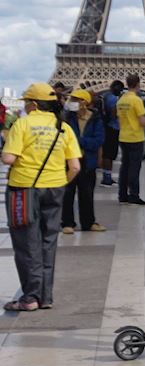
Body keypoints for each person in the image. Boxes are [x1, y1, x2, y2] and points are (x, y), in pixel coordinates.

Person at [3, 83, 82, 312]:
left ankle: (30, 297)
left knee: (26, 243)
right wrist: (58, 181)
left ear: (33, 104)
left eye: (26, 102)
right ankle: (45, 296)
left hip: (24, 190)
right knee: (48, 242)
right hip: (55, 188)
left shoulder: (23, 124)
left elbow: (8, 158)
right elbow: (75, 166)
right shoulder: (63, 127)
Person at [60, 89, 105, 235]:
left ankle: (88, 222)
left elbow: (98, 140)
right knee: (68, 193)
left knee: (87, 193)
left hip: (87, 160)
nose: (72, 102)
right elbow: (63, 139)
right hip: (70, 159)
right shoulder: (67, 118)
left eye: (75, 100)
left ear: (84, 103)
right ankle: (67, 223)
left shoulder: (96, 119)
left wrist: (78, 141)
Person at [117, 73, 145, 206]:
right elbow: (142, 122)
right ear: (137, 84)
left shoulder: (121, 100)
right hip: (135, 137)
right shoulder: (136, 100)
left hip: (123, 136)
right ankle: (134, 195)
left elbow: (120, 120)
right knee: (134, 168)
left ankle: (122, 195)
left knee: (124, 167)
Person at [100, 79, 124, 185]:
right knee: (110, 154)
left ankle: (107, 176)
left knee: (107, 154)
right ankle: (107, 178)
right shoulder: (114, 99)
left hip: (107, 127)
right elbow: (114, 113)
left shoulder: (106, 96)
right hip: (112, 128)